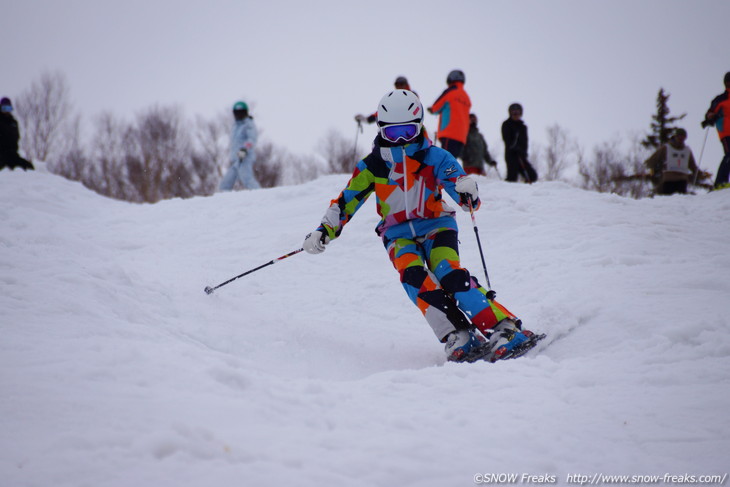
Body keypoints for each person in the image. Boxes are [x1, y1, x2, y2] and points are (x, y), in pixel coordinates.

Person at [302, 89, 537, 363]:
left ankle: (504, 327)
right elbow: (346, 201)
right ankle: (457, 333)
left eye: (407, 131)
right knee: (415, 278)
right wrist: (323, 230)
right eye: (393, 133)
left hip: (437, 226)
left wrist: (466, 192)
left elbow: (459, 187)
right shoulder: (372, 165)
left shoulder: (435, 157)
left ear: (420, 126)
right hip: (397, 235)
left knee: (448, 273)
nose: (400, 140)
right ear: (381, 130)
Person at [428, 69, 472, 158]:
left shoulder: (450, 91)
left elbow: (435, 107)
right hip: (462, 137)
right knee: (451, 163)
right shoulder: (466, 97)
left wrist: (431, 109)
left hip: (449, 133)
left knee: (444, 162)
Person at [643, 128, 698, 195]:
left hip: (682, 180)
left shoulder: (687, 150)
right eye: (679, 136)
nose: (681, 139)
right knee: (668, 200)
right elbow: (654, 159)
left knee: (680, 201)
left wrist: (699, 173)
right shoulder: (666, 148)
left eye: (683, 137)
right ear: (675, 136)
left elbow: (692, 165)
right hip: (669, 179)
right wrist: (650, 168)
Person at [219, 101, 259, 191]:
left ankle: (262, 196)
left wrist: (244, 150)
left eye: (241, 113)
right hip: (236, 159)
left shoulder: (248, 124)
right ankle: (224, 202)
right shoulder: (236, 126)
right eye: (236, 113)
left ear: (245, 112)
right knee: (225, 184)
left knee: (247, 180)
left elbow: (252, 139)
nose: (238, 115)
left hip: (244, 158)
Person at [702, 71, 730, 189]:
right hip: (726, 131)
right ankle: (720, 182)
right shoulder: (721, 99)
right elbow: (710, 113)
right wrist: (710, 117)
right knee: (729, 154)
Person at [501, 103, 537, 183]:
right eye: (513, 113)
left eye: (517, 113)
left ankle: (526, 191)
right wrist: (514, 147)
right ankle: (507, 191)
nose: (515, 115)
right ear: (510, 113)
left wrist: (523, 152)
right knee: (512, 177)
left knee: (532, 175)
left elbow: (525, 141)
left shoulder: (523, 127)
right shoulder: (507, 124)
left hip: (521, 154)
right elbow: (507, 139)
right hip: (511, 154)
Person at [0, 97, 34, 172]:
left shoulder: (13, 123)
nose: (6, 111)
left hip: (12, 154)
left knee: (29, 167)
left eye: (8, 108)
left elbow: (16, 137)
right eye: (4, 108)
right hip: (1, 154)